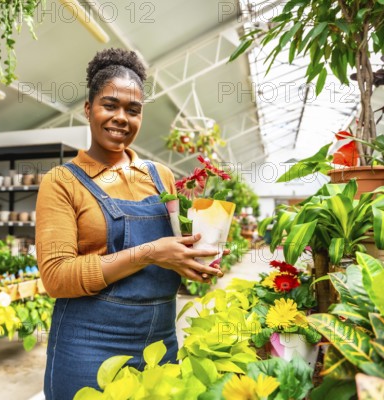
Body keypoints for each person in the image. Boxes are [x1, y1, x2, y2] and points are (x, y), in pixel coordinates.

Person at [35, 48, 223, 400]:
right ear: (88, 109)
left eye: (133, 111)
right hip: (88, 346)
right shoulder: (62, 182)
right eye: (110, 105)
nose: (122, 118)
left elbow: (173, 253)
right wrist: (150, 253)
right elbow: (57, 278)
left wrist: (195, 259)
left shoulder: (159, 176)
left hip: (160, 342)